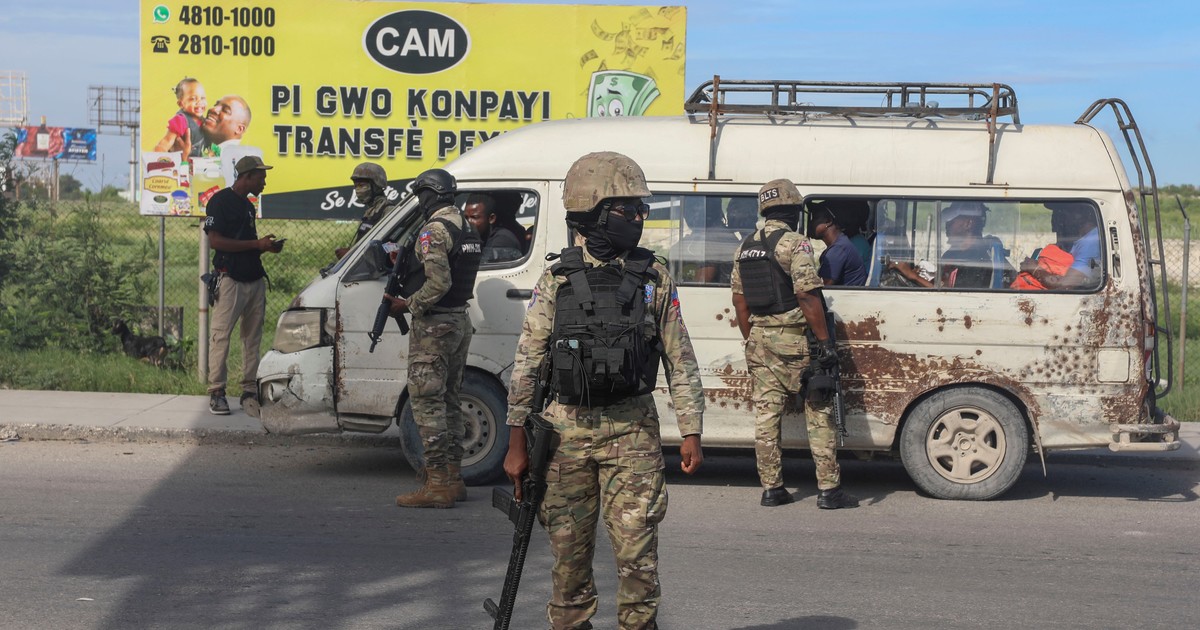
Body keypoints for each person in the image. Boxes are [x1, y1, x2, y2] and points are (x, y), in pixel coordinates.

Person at [503, 151, 705, 630]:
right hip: (564, 435)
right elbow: (528, 360)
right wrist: (516, 442)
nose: (639, 218)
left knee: (638, 556)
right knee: (568, 559)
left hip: (633, 432)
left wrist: (691, 431)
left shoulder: (654, 278)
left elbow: (679, 357)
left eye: (641, 209)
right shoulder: (555, 279)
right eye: (627, 209)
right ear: (592, 212)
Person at [731, 178, 859, 510]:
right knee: (818, 410)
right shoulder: (796, 244)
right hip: (796, 341)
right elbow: (806, 294)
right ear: (792, 211)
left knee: (766, 417)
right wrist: (825, 343)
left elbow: (740, 303)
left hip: (759, 340)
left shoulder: (745, 247)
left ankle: (772, 489)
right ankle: (829, 490)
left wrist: (754, 339)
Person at [387, 168, 483, 509]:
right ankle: (453, 479)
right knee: (450, 400)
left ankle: (438, 484)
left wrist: (406, 304)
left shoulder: (434, 231)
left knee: (427, 402)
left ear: (428, 195)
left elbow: (438, 283)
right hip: (458, 321)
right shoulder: (466, 227)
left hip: (435, 326)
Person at [203, 155, 282, 416]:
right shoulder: (220, 201)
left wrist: (265, 248)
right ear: (247, 177)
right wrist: (256, 245)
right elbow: (216, 241)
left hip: (254, 279)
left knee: (252, 338)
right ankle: (217, 391)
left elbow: (246, 245)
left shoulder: (248, 206)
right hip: (230, 280)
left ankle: (249, 390)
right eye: (261, 178)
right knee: (221, 336)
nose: (264, 183)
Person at [887, 201, 1007, 288]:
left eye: (951, 221)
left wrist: (912, 276)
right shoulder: (951, 255)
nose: (947, 226)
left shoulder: (977, 261)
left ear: (968, 224)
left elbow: (954, 299)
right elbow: (941, 285)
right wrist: (916, 275)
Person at [1014, 202, 1102, 290]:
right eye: (1055, 213)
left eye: (1061, 212)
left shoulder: (1091, 244)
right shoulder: (1076, 239)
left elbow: (1065, 285)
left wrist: (1034, 269)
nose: (1054, 218)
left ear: (1079, 214)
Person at [335, 162, 395, 259]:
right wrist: (351, 253)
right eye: (356, 186)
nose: (358, 190)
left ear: (376, 186)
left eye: (362, 185)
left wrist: (352, 255)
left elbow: (393, 247)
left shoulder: (388, 211)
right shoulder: (371, 212)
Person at [809, 202, 867, 286]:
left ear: (828, 221)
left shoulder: (838, 249)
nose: (811, 224)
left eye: (815, 219)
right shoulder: (840, 244)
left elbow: (823, 287)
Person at [153, 77, 206, 157]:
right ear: (181, 104)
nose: (200, 102)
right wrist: (156, 157)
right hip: (182, 162)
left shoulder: (204, 120)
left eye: (202, 98)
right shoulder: (180, 120)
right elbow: (165, 142)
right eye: (193, 99)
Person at [463, 192, 523, 262]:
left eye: (474, 217)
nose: (468, 222)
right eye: (466, 217)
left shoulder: (502, 239)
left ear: (491, 218)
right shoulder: (476, 236)